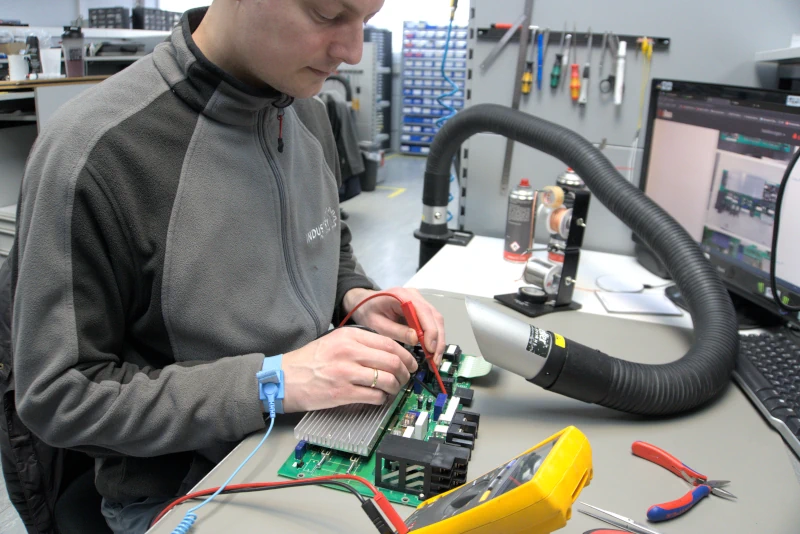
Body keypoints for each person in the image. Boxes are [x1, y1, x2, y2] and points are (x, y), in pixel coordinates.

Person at [10, 1, 446, 532]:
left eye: (366, 19)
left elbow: (331, 244)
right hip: (185, 489)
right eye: (329, 12)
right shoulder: (97, 150)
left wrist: (355, 295)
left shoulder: (307, 110)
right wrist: (270, 383)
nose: (352, 51)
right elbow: (58, 396)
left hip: (313, 434)